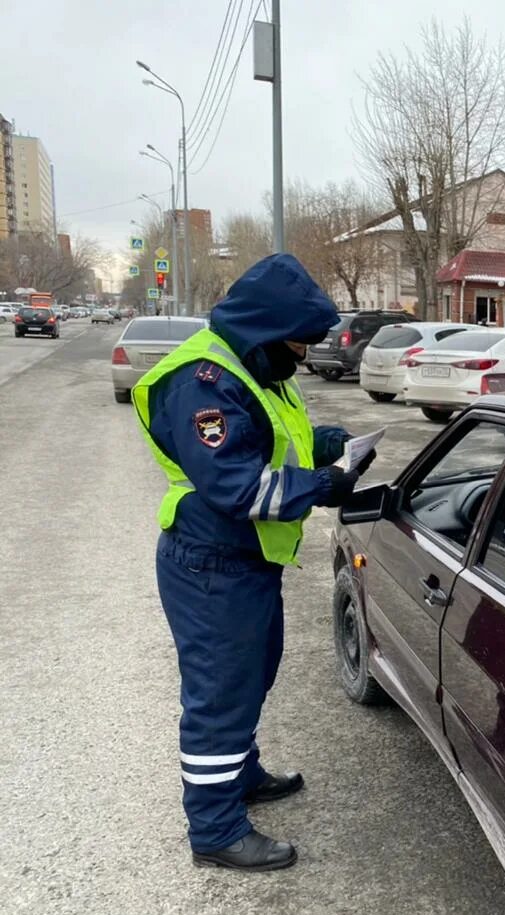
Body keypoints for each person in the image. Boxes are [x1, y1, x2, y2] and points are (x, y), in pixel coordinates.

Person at [132, 254, 369, 872]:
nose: (301, 355)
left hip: (245, 562)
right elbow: (239, 488)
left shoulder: (256, 368)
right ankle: (214, 829)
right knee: (219, 693)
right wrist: (321, 486)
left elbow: (266, 441)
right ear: (267, 330)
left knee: (252, 675)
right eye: (296, 342)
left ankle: (240, 773)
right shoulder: (203, 381)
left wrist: (324, 445)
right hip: (209, 563)